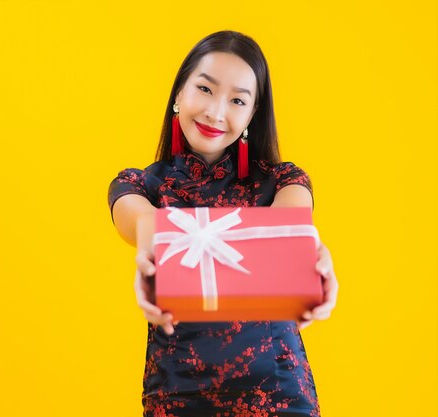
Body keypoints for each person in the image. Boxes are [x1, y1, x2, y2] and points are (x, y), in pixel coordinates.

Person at [107, 31, 339, 417]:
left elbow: (290, 233)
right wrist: (154, 243)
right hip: (178, 395)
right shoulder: (138, 185)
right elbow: (143, 222)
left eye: (237, 100)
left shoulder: (283, 181)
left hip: (279, 394)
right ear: (178, 94)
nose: (216, 112)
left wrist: (313, 258)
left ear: (252, 115)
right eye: (204, 89)